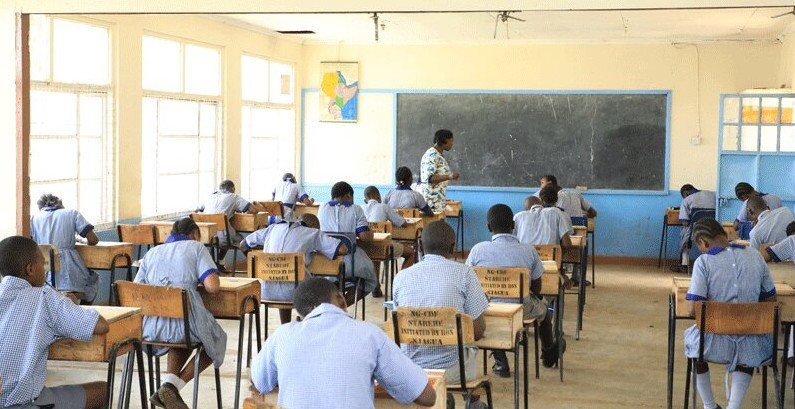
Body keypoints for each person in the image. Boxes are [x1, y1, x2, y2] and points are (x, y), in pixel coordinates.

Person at [250, 277, 436, 408]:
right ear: (341, 299)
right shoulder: (369, 334)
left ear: (300, 314)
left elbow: (258, 382)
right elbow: (426, 397)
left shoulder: (282, 335)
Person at [0, 236, 110, 409]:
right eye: (42, 265)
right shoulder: (45, 298)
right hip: (25, 404)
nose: (45, 271)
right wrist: (67, 303)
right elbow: (101, 326)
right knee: (104, 390)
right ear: (30, 269)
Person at [392, 221, 489, 409]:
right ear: (453, 247)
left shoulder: (401, 277)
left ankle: (443, 399)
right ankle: (473, 403)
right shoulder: (464, 273)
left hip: (412, 369)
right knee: (468, 350)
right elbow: (477, 331)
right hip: (454, 369)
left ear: (420, 247)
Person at [134, 218, 227, 409]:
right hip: (185, 321)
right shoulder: (196, 247)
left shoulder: (152, 252)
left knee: (182, 336)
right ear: (193, 234)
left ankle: (168, 390)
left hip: (151, 327)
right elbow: (213, 287)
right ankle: (171, 387)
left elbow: (136, 292)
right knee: (217, 339)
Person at [684, 218, 776, 409]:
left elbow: (694, 309)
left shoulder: (704, 261)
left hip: (711, 344)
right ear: (725, 235)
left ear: (703, 242)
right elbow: (770, 299)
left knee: (694, 349)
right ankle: (733, 407)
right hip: (751, 344)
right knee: (747, 354)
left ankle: (710, 406)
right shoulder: (755, 256)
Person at [466, 204, 562, 375]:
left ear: (488, 227)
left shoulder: (477, 250)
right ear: (513, 225)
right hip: (520, 308)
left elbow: (469, 283)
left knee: (490, 313)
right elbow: (537, 287)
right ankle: (548, 354)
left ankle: (500, 361)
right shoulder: (528, 250)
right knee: (545, 313)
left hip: (486, 309)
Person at [239, 214, 347, 324]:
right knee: (319, 287)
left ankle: (286, 326)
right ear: (314, 225)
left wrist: (261, 262)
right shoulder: (312, 232)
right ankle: (309, 326)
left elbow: (243, 244)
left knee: (286, 277)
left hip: (264, 291)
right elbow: (343, 249)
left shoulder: (272, 229)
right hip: (297, 293)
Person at [30, 194, 100, 303]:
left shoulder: (34, 218)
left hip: (43, 269)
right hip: (68, 268)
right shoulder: (71, 213)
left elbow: (30, 242)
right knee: (92, 280)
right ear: (60, 203)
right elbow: (93, 240)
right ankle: (79, 304)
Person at [317, 181, 377, 306]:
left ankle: (332, 307)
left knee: (333, 281)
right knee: (369, 281)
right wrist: (371, 232)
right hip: (349, 263)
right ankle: (340, 307)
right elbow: (364, 237)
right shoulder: (356, 209)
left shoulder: (322, 207)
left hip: (325, 262)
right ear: (349, 195)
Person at [196, 180, 258, 271]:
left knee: (228, 232)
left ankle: (220, 263)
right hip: (223, 238)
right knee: (241, 241)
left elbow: (197, 210)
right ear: (232, 188)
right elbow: (254, 210)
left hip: (206, 237)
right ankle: (254, 266)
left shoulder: (210, 196)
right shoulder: (233, 196)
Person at [363, 185, 416, 276]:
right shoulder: (384, 207)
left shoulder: (360, 208)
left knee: (376, 256)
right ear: (379, 197)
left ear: (365, 200)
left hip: (364, 248)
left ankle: (377, 287)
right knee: (411, 253)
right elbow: (403, 224)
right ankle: (401, 280)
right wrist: (399, 215)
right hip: (383, 248)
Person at [673, 184, 716, 272]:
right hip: (713, 229)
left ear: (686, 193)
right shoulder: (712, 195)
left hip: (696, 230)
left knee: (684, 232)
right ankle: (711, 265)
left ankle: (684, 264)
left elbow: (685, 222)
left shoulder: (687, 200)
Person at [419, 129, 460, 213]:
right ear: (444, 140)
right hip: (432, 202)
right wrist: (450, 176)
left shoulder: (438, 154)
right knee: (435, 225)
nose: (452, 144)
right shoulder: (432, 155)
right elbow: (430, 178)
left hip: (438, 200)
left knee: (439, 225)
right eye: (451, 141)